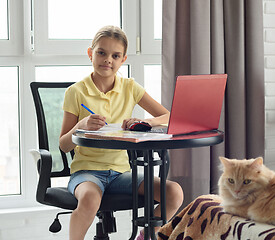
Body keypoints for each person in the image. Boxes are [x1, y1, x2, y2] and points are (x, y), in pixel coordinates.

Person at [59, 25, 183, 240]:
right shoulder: (76, 92)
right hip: (86, 172)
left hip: (122, 173)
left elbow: (170, 116)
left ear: (123, 59)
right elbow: (63, 145)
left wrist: (145, 121)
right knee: (89, 199)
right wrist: (82, 125)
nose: (108, 60)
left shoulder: (130, 87)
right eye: (101, 53)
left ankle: (145, 236)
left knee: (174, 193)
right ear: (91, 53)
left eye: (115, 55)